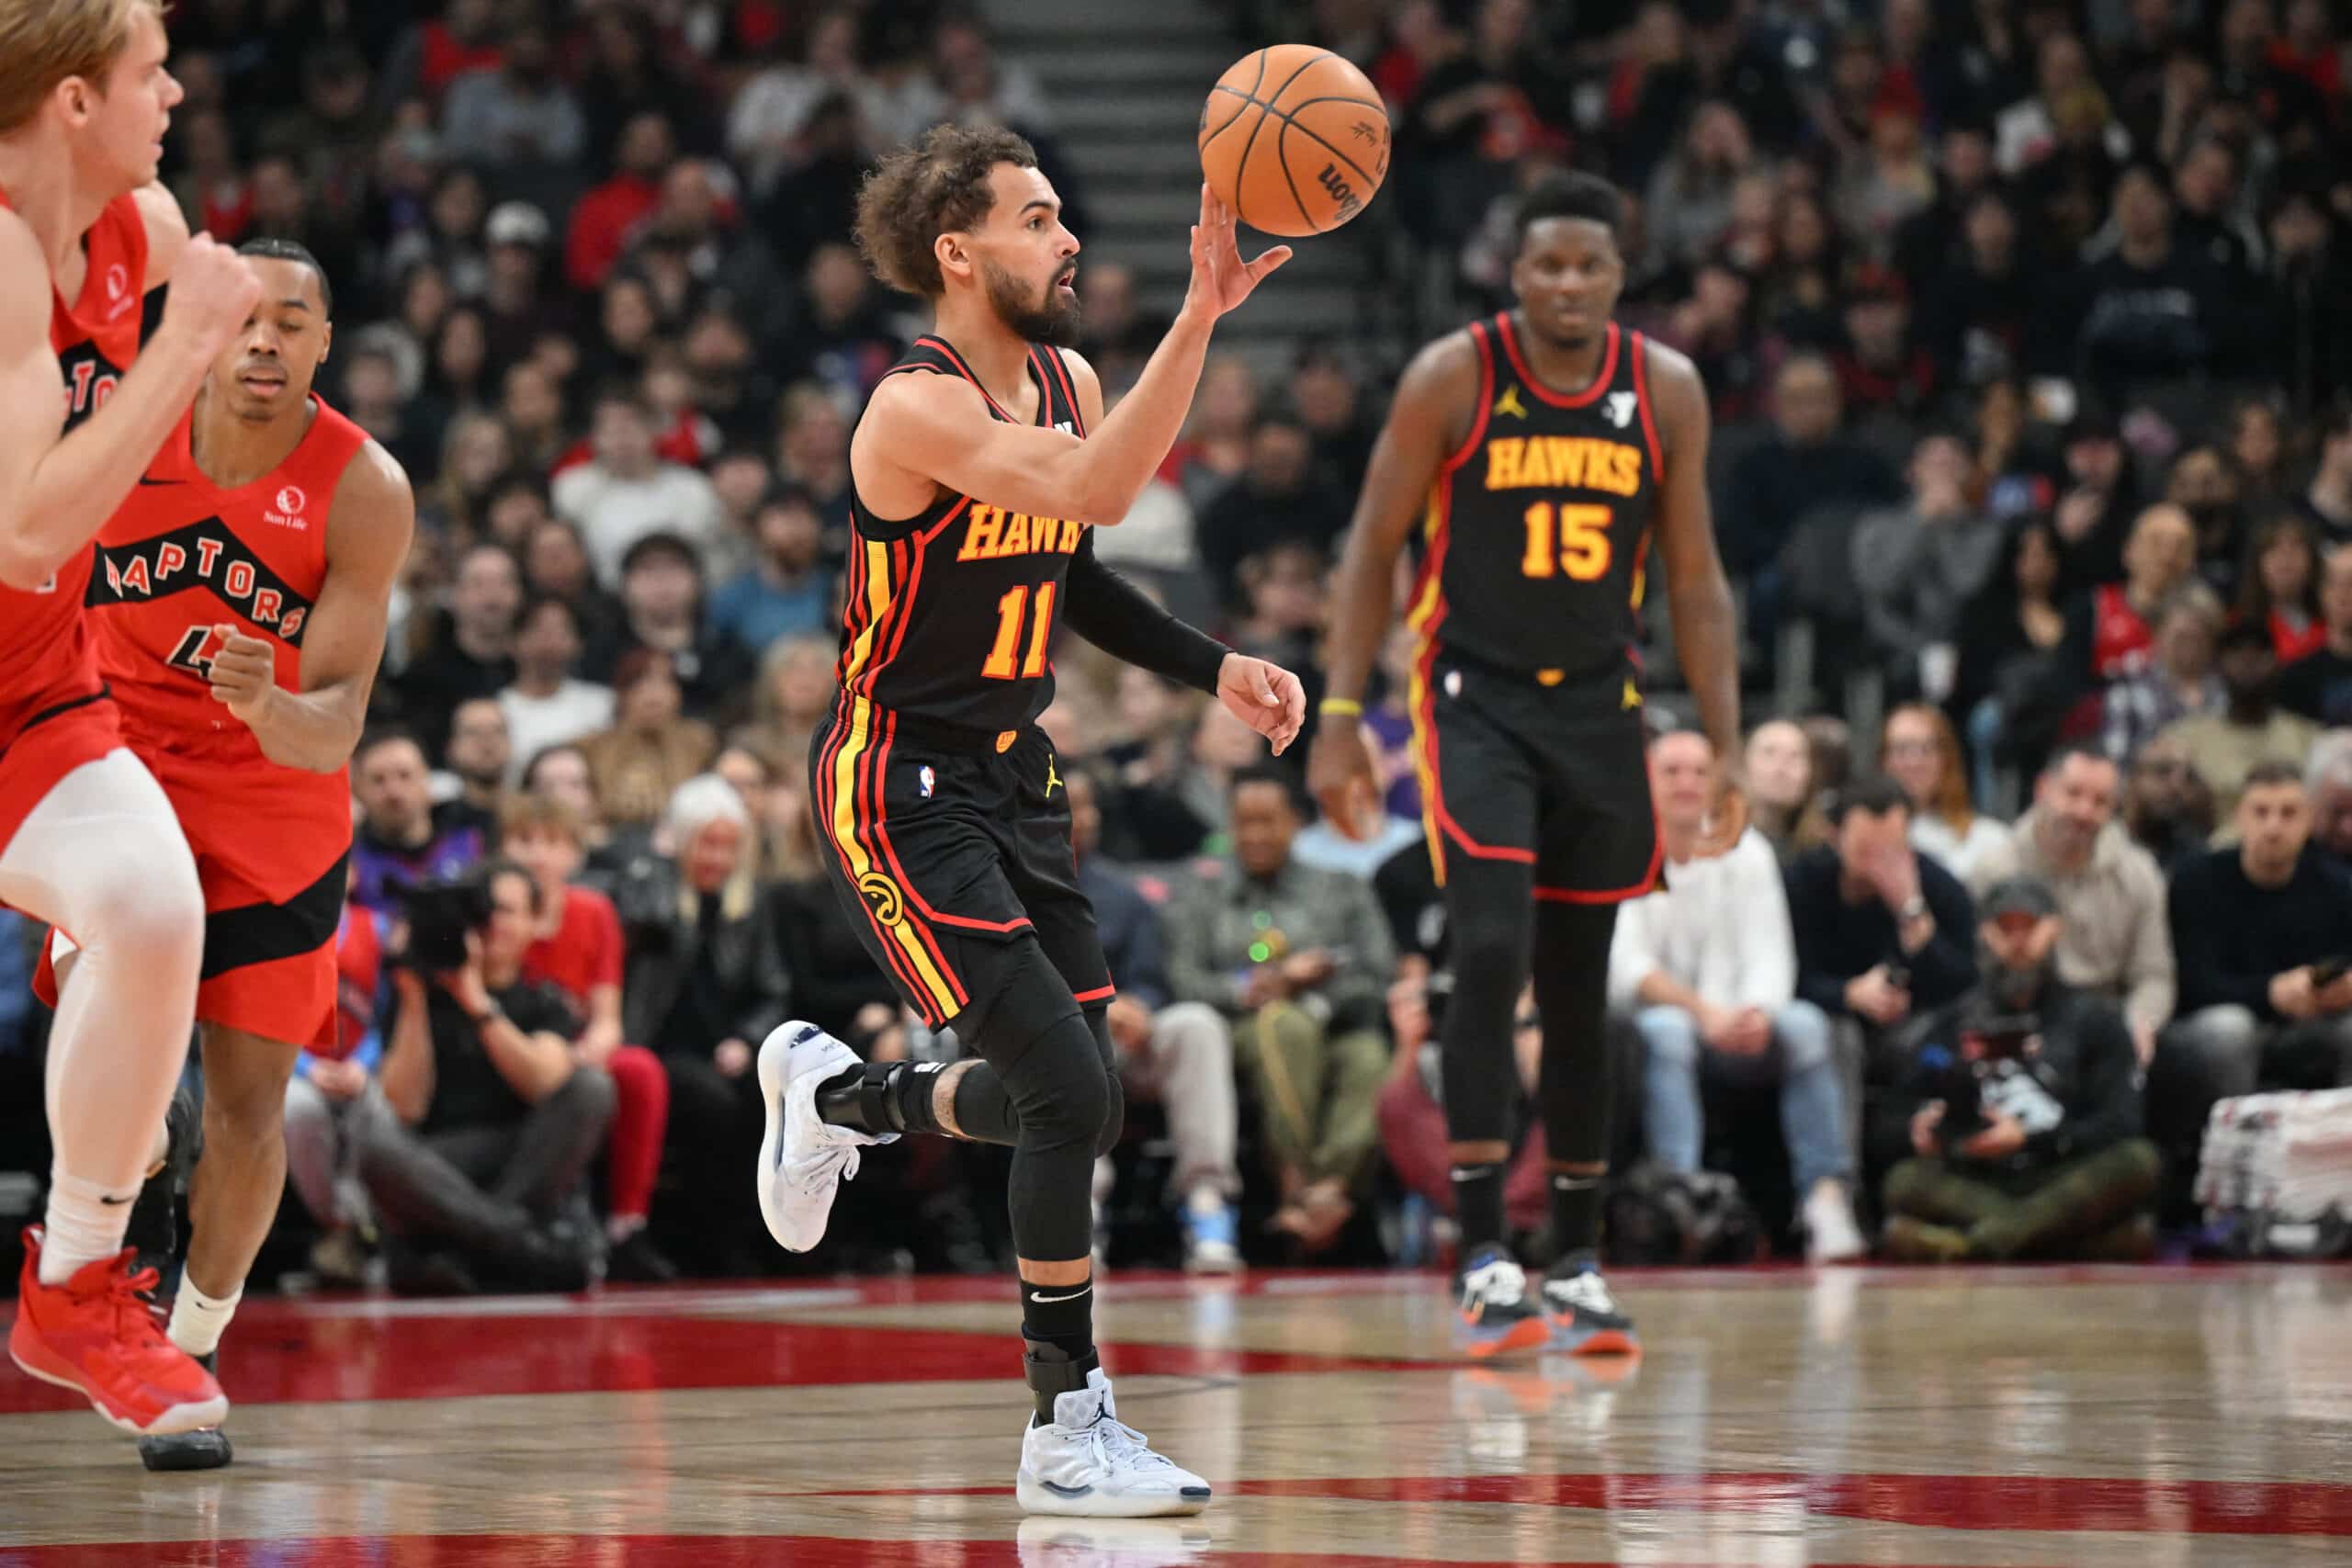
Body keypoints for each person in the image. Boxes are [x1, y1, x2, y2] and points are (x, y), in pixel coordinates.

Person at [754, 125, 1300, 1517]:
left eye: (1063, 215)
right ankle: (1065, 1422)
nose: (1069, 241)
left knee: (1082, 1093)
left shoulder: (1067, 377)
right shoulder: (912, 409)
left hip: (1015, 771)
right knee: (1066, 1090)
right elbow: (1097, 485)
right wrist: (1202, 313)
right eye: (1039, 217)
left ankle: (832, 1097)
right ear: (959, 249)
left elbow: (1076, 560)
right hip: (898, 780)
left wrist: (1213, 665)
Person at [1307, 172, 1747, 1358]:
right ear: (1516, 269)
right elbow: (1370, 546)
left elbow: (1697, 580)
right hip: (1472, 701)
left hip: (1603, 708)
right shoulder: (1456, 374)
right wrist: (1340, 711)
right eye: (1545, 263)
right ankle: (1485, 1250)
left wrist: (1730, 733)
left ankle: (1583, 1255)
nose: (1565, 283)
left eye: (1587, 266)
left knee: (1580, 978)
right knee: (1490, 945)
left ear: (1619, 273)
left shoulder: (1666, 389)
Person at [38, 240, 410, 1469]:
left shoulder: (363, 487)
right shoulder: (120, 431)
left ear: (322, 343)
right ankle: (108, 1247)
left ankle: (193, 1336)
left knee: (249, 1104)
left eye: (288, 323)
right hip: (113, 773)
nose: (261, 342)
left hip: (274, 807)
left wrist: (266, 701)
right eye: (242, 319)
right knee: (131, 1098)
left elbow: (335, 728)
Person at [0, 0, 267, 1438]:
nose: (177, 92)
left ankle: (80, 1283)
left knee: (156, 902)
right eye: (150, 72)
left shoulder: (141, 228)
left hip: (33, 689)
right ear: (72, 101)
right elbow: (29, 528)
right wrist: (189, 345)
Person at [1612, 731, 1863, 1264]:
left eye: (1700, 772)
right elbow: (1628, 968)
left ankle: (1825, 1198)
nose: (1687, 784)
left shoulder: (1745, 850)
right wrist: (1704, 1014)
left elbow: (1771, 956)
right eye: (1672, 771)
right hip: (1655, 1027)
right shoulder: (1621, 845)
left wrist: (1753, 1015)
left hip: (1738, 1026)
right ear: (1647, 779)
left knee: (1806, 1027)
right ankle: (1681, 1199)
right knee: (1669, 1032)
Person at [354, 860, 613, 1295]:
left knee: (593, 1088)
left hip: (525, 1160)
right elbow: (405, 1105)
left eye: (507, 911)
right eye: (483, 910)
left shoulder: (545, 1001)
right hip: (440, 1165)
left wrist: (474, 999)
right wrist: (416, 998)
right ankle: (517, 1245)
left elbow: (543, 1084)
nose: (493, 923)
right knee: (371, 1139)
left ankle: (467, 1250)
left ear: (535, 924)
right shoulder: (419, 995)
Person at [1166, 766, 1393, 1258]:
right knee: (1283, 1025)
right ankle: (1296, 1183)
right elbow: (1184, 978)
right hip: (1242, 1029)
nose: (1255, 835)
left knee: (1370, 1057)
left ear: (1296, 823)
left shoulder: (1341, 887)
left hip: (1338, 1021)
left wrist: (1317, 987)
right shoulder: (1201, 892)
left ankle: (1326, 1191)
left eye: (1269, 821)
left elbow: (1377, 967)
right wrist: (1255, 989)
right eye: (1244, 822)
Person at [1874, 878, 2161, 1261]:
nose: (2018, 940)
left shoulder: (2096, 1020)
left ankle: (1975, 1245)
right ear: (1984, 934)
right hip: (1980, 1178)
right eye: (2004, 928)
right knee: (1903, 1182)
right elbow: (1891, 1112)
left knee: (2140, 1161)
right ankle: (2063, 1242)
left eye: (2030, 926)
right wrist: (1918, 1126)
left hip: (2060, 1174)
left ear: (2055, 929)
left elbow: (2121, 1122)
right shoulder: (1953, 1023)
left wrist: (2030, 1138)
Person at [1062, 767, 1239, 1273]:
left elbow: (1153, 980)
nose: (1081, 819)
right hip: (1057, 1042)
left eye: (1089, 806)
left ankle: (1208, 1203)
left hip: (1127, 1041)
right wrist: (1095, 1008)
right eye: (1068, 805)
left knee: (1197, 1025)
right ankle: (1078, 1210)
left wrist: (1138, 1003)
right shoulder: (1005, 890)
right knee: (1066, 1040)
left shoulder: (1124, 894)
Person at [2153, 762, 2352, 1184]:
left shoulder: (2338, 886)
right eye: (2261, 812)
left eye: (2288, 813)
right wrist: (2271, 993)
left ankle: (2339, 1175)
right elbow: (2193, 986)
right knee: (2231, 1029)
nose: (2274, 827)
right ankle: (2239, 1176)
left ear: (2310, 821)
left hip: (2311, 1026)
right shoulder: (2196, 881)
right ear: (2239, 817)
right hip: (2211, 1030)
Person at [1970, 743, 2176, 1066]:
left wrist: (2139, 1024)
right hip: (2018, 1023)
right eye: (2073, 794)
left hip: (2108, 1025)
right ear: (2042, 789)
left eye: (2099, 801)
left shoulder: (2139, 874)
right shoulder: (1992, 872)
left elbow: (2153, 976)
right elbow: (1975, 975)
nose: (2084, 811)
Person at [1785, 775, 1981, 1068]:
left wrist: (1912, 913)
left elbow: (1964, 981)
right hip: (1833, 1017)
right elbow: (1786, 976)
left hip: (1915, 1024)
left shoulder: (1935, 883)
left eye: (1892, 850)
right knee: (1838, 1034)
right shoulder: (1802, 881)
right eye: (1866, 851)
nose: (1878, 864)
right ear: (1835, 837)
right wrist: (1848, 993)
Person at [2155, 615, 2319, 819]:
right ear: (2218, 666)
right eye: (2237, 651)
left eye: (2260, 651)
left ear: (2277, 664)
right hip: (2207, 847)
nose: (2248, 660)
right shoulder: (2184, 739)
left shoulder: (2310, 738)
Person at [1880, 703, 2013, 884]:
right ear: (1883, 760)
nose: (1913, 762)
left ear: (1946, 759)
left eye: (1926, 749)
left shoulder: (1990, 839)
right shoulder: (1863, 839)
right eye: (1901, 749)